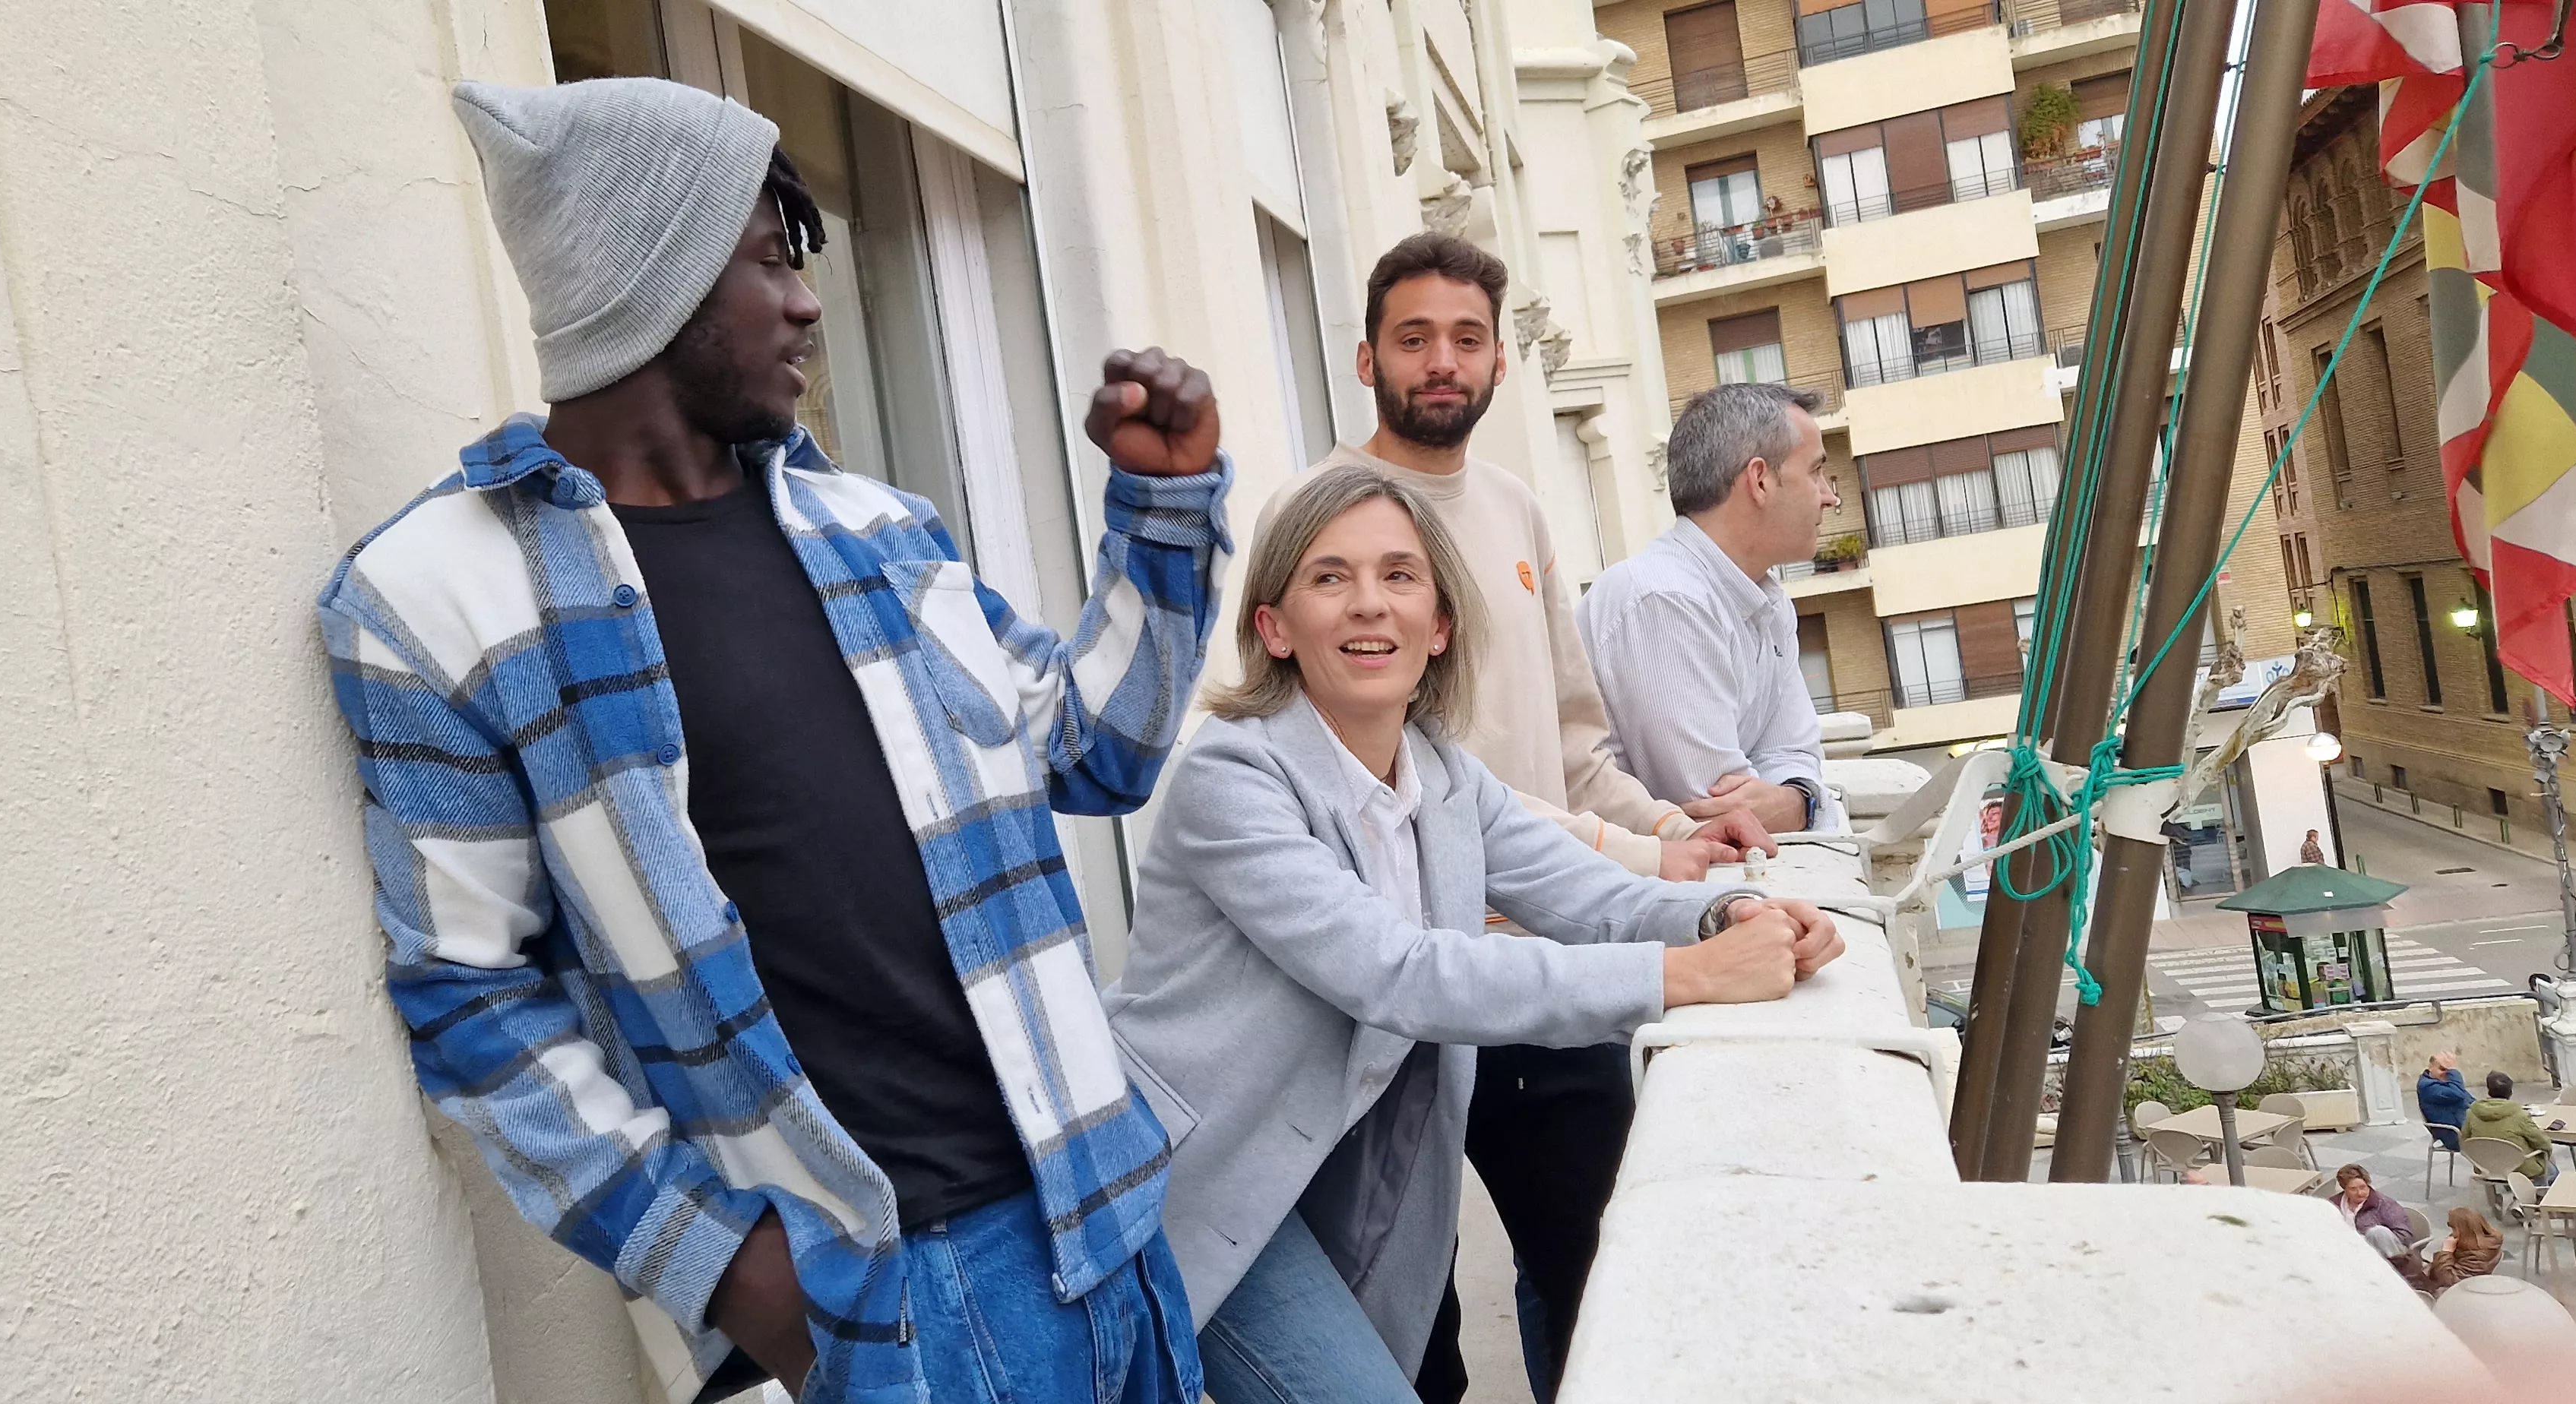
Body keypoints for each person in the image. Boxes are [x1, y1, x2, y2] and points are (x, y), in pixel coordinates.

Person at [322, 77, 1233, 1402]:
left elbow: (1096, 749)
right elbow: (465, 986)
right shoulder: (436, 597)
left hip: (1102, 1216)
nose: (808, 299)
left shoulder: (876, 528)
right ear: (656, 280)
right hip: (881, 1296)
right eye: (768, 258)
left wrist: (1160, 502)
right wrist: (729, 1268)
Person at [1103, 466, 1843, 1404]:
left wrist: (1730, 916)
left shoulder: (1443, 777)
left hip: (1344, 1179)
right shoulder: (1233, 779)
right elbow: (1399, 976)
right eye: (1329, 578)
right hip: (1210, 1184)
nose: (1369, 604)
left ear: (1441, 624)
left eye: (1400, 577)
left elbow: (1589, 895)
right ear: (1273, 628)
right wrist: (1686, 975)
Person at [1267, 233, 1773, 1402]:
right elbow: (1316, 770)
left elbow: (1574, 746)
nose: (1441, 362)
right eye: (1414, 338)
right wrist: (1646, 867)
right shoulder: (1316, 517)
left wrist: (1676, 841)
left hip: (1547, 980)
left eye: (1466, 339)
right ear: (1366, 358)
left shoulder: (1516, 512)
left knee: (1605, 1282)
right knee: (1407, 1333)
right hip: (1381, 1007)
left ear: (1498, 363)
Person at [1580, 383, 1844, 835]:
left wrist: (1800, 803)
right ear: (1759, 480)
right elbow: (1722, 814)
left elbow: (1796, 759)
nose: (1830, 497)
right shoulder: (1663, 599)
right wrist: (1809, 806)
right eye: (1816, 472)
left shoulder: (1765, 601)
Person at [2328, 1164, 2419, 1284]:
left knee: (2377, 1232)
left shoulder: (2383, 1204)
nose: (2360, 1193)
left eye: (2363, 1187)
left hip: (2386, 1253)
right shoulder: (2334, 1205)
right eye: (2353, 1189)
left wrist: (2368, 1239)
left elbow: (2405, 1235)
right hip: (2348, 1252)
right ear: (2344, 1189)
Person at [2463, 1070, 2557, 1185]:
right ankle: (2539, 1197)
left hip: (2486, 1166)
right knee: (2553, 1171)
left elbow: (2465, 1140)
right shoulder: (2519, 1115)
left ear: (2489, 1090)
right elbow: (2543, 1143)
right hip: (2521, 1167)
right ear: (2510, 1092)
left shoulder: (2471, 1113)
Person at [2425, 1206, 2505, 1289]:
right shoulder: (2485, 1241)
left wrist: (2446, 1252)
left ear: (2462, 1231)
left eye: (2453, 1228)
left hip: (2457, 1291)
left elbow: (2447, 1280)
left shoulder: (2476, 1257)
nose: (2452, 1233)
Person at [2416, 1051, 2472, 1150]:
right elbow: (2458, 1094)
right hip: (2455, 1136)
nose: (2446, 1073)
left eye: (2448, 1070)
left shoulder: (2446, 1083)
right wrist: (2453, 1071)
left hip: (2467, 1129)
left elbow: (2470, 1102)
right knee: (2499, 1141)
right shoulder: (2427, 1086)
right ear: (2430, 1067)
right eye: (2442, 1069)